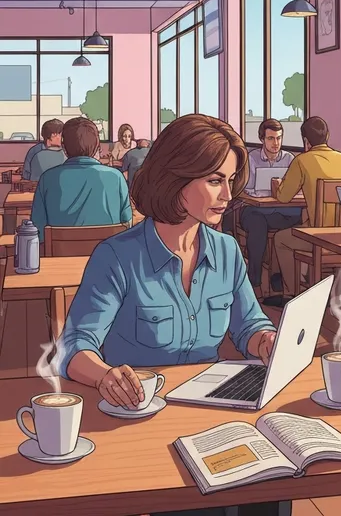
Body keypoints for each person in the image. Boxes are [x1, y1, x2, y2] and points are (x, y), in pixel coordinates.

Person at [57, 114, 277, 516]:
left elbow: (250, 324)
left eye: (230, 180)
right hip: (137, 425)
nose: (228, 195)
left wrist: (265, 339)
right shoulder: (117, 256)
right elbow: (73, 347)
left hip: (213, 416)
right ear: (176, 180)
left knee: (272, 490)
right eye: (214, 180)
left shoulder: (227, 251)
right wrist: (105, 376)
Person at [271, 116, 341, 302]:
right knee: (304, 220)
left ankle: (295, 294)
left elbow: (284, 197)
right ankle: (319, 286)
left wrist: (277, 185)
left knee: (280, 239)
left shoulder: (302, 160)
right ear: (328, 136)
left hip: (320, 239)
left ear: (305, 141)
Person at [31, 117, 132, 242]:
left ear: (64, 148)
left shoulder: (47, 179)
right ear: (96, 146)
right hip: (109, 257)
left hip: (59, 258)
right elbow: (127, 225)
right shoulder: (116, 177)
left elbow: (37, 230)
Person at [239, 119, 303, 293]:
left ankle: (279, 278)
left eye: (279, 138)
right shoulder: (251, 158)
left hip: (280, 210)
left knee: (299, 219)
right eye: (271, 138)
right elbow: (246, 190)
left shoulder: (290, 159)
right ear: (262, 139)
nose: (276, 143)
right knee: (257, 224)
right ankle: (255, 281)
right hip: (256, 210)